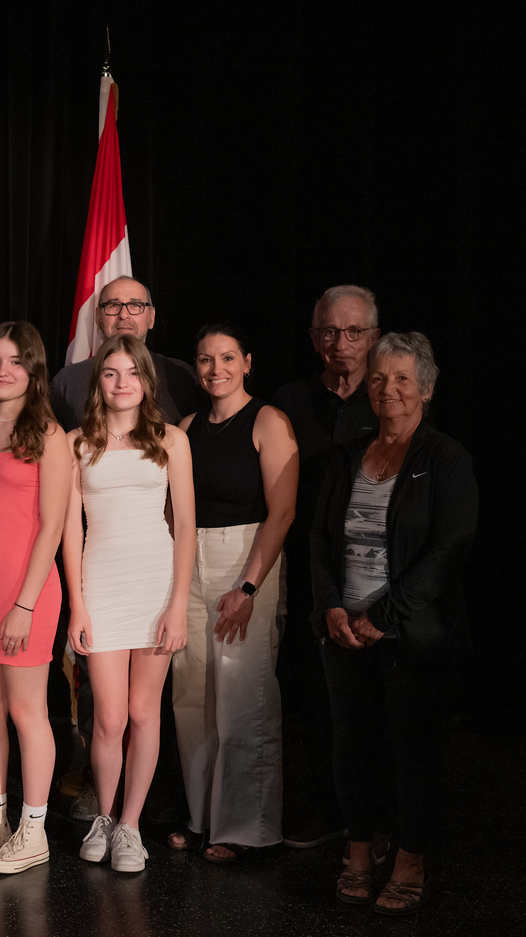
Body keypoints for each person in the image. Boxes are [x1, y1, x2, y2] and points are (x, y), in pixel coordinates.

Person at [311, 332, 475, 916]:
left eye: (403, 377)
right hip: (343, 631)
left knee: (413, 747)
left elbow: (449, 548)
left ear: (426, 388)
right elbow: (319, 539)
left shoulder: (445, 458)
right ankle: (360, 850)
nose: (390, 388)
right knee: (351, 744)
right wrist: (332, 606)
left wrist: (382, 616)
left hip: (410, 634)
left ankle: (409, 859)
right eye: (379, 378)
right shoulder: (346, 456)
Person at [49, 274, 199, 822]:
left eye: (133, 372)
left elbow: (186, 527)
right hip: (101, 589)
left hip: (156, 588)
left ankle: (130, 825)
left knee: (143, 714)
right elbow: (70, 530)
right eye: (111, 372)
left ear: (146, 380)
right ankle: (106, 819)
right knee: (108, 720)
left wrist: (178, 605)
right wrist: (78, 606)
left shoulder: (172, 440)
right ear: (98, 381)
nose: (122, 382)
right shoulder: (75, 444)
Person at [171, 323, 298, 863]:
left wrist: (248, 586)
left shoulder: (269, 421)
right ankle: (202, 818)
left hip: (246, 559)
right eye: (205, 359)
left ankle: (246, 828)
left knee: (243, 695)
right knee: (192, 697)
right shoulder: (187, 426)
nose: (215, 369)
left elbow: (283, 511)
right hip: (189, 560)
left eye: (227, 358)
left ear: (247, 362)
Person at [0, 321, 71, 874]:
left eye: (16, 361)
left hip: (27, 591)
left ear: (34, 370)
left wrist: (24, 605)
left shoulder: (48, 433)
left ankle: (34, 830)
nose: (3, 371)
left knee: (28, 712)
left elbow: (53, 526)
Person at [270, 285, 380, 848]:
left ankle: (375, 817)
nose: (342, 342)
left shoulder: (390, 396)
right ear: (314, 339)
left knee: (373, 697)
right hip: (305, 568)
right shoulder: (288, 401)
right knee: (311, 691)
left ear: (374, 337)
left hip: (374, 569)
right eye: (330, 332)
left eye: (355, 331)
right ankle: (326, 805)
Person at [51, 276, 199, 431]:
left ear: (152, 317)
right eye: (113, 305)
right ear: (98, 317)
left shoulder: (182, 377)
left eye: (135, 305)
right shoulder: (67, 380)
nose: (123, 315)